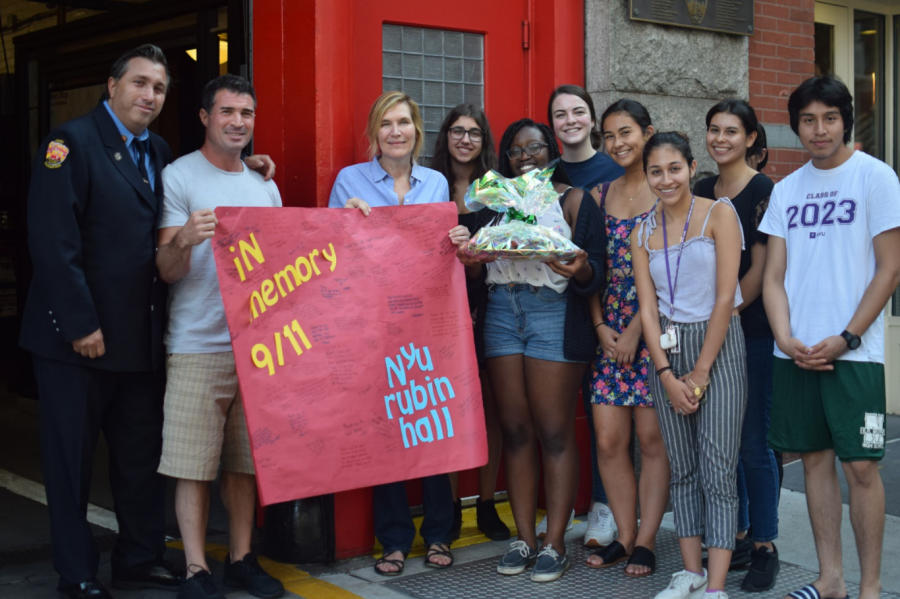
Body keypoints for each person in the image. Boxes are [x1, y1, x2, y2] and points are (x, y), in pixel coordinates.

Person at [17, 44, 179, 599]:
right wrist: (80, 323)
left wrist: (245, 166)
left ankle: (139, 556)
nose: (149, 96)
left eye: (158, 88)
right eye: (139, 83)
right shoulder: (70, 143)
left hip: (137, 340)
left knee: (140, 458)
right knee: (71, 462)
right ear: (112, 87)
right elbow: (53, 241)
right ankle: (77, 572)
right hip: (76, 341)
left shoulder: (158, 150)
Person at [760, 76, 900, 599]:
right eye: (808, 120)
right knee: (813, 461)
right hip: (794, 352)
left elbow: (889, 269)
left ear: (845, 121)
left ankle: (870, 587)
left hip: (854, 354)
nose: (819, 130)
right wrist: (785, 336)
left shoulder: (875, 178)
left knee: (861, 467)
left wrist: (847, 336)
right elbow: (773, 276)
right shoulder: (785, 189)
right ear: (796, 125)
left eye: (830, 118)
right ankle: (832, 580)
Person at [329, 91, 470, 576]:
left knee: (430, 425)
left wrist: (460, 240)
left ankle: (438, 534)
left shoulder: (436, 182)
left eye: (404, 122)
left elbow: (447, 257)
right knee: (386, 433)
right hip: (373, 329)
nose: (395, 131)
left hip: (428, 326)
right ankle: (392, 540)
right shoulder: (349, 180)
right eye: (386, 123)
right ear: (375, 132)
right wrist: (341, 224)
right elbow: (331, 259)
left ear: (417, 130)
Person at [458, 118, 605, 582]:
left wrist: (577, 269)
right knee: (516, 430)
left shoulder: (573, 200)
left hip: (552, 314)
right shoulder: (492, 204)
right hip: (502, 313)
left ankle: (555, 543)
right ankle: (524, 539)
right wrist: (471, 263)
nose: (526, 157)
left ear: (552, 151)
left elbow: (595, 273)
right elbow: (479, 276)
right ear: (506, 158)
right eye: (516, 151)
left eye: (535, 148)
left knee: (554, 431)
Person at [155, 75, 284, 599]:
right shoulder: (178, 176)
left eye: (247, 114)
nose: (238, 122)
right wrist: (184, 237)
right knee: (192, 463)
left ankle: (240, 559)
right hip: (196, 341)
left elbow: (285, 263)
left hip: (256, 344)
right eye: (227, 112)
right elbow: (166, 269)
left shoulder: (265, 185)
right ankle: (195, 568)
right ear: (206, 117)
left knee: (243, 464)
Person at [631, 131, 746, 599]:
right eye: (655, 171)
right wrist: (664, 372)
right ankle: (691, 571)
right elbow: (648, 310)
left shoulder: (718, 214)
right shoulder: (642, 231)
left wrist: (698, 374)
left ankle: (716, 585)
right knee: (682, 468)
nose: (666, 179)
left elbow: (725, 299)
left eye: (674, 168)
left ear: (691, 167)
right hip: (667, 348)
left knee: (718, 467)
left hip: (717, 346)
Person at [694, 99, 780, 593]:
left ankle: (766, 544)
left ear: (750, 139)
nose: (720, 138)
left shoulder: (762, 190)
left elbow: (761, 269)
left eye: (731, 131)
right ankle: (740, 535)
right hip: (708, 330)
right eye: (713, 130)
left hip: (749, 333)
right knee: (721, 446)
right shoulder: (703, 188)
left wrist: (723, 314)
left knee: (752, 442)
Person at [585, 99, 669, 579]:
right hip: (609, 333)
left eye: (626, 133)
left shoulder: (667, 191)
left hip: (653, 332)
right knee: (610, 439)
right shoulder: (598, 196)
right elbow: (591, 268)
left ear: (647, 133)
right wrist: (601, 328)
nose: (617, 143)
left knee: (652, 439)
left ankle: (647, 539)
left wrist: (637, 331)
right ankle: (622, 532)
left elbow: (669, 271)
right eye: (609, 136)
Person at [546, 83, 624, 549]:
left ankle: (604, 506)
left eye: (578, 111)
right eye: (560, 114)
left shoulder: (615, 168)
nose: (570, 120)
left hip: (611, 308)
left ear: (591, 119)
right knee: (557, 418)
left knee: (606, 417)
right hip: (559, 310)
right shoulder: (544, 174)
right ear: (552, 124)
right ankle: (559, 512)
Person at [429, 104, 509, 542]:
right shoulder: (428, 185)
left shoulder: (497, 190)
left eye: (474, 133)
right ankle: (450, 507)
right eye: (457, 131)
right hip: (436, 311)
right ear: (446, 137)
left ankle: (485, 503)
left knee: (492, 410)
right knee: (445, 410)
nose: (465, 140)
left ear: (484, 141)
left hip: (488, 305)